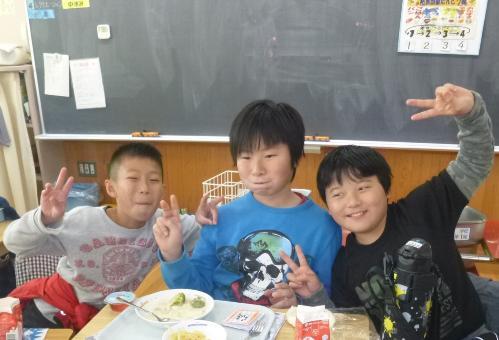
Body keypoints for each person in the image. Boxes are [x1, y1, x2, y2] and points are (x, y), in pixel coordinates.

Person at [281, 84, 496, 339]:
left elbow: (475, 161)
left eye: (363, 187)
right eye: (338, 194)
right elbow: (351, 326)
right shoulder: (345, 265)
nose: (352, 202)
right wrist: (315, 294)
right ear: (329, 206)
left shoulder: (422, 209)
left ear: (386, 190)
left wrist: (470, 113)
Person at [3, 142, 218, 330]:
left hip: (114, 315)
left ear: (162, 189)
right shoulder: (81, 221)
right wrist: (44, 219)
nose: (144, 188)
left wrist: (202, 219)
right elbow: (14, 243)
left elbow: (204, 232)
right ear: (111, 187)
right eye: (133, 178)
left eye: (153, 180)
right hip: (56, 313)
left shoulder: (165, 225)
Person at [154, 100, 342, 308]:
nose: (256, 169)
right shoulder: (220, 217)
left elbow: (326, 303)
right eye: (245, 156)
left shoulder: (323, 226)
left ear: (295, 157)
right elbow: (196, 292)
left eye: (269, 155)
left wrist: (298, 303)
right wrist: (172, 254)